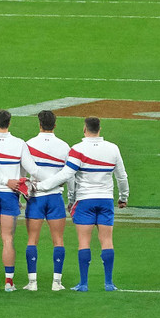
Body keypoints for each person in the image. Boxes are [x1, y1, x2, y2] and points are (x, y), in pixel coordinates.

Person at [32, 117, 129, 292]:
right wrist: (123, 197)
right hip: (105, 199)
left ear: (85, 129)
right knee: (107, 241)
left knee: (84, 242)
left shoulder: (77, 149)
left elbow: (67, 175)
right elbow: (121, 176)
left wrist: (42, 187)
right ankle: (109, 283)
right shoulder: (113, 149)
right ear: (99, 129)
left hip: (85, 201)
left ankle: (83, 284)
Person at [0, 109, 42, 291]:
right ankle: (9, 283)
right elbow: (32, 169)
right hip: (10, 195)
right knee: (8, 239)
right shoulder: (19, 144)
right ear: (9, 123)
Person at [23, 110, 71, 291]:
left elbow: (23, 172)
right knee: (58, 240)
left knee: (32, 240)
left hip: (35, 198)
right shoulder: (65, 147)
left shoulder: (28, 145)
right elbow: (69, 175)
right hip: (55, 197)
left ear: (39, 124)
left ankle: (32, 282)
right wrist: (71, 198)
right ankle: (57, 283)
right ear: (55, 125)